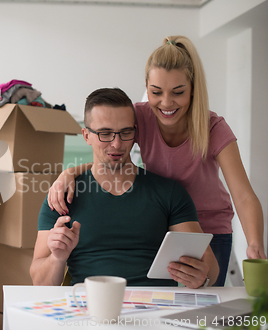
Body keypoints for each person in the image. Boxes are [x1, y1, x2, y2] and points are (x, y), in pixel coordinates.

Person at [47, 36, 266, 286]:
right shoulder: (141, 117)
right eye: (156, 92)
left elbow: (244, 195)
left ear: (193, 89)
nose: (166, 102)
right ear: (146, 87)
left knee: (205, 308)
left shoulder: (213, 128)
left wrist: (255, 243)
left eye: (178, 92)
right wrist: (69, 173)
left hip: (208, 229)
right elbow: (111, 154)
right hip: (165, 221)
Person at [30, 88, 219, 288]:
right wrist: (57, 259)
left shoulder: (169, 193)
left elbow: (210, 266)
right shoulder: (62, 196)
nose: (117, 143)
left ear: (135, 132)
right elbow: (39, 283)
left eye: (125, 132)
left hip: (154, 310)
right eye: (105, 133)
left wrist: (202, 276)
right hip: (90, 309)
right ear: (86, 136)